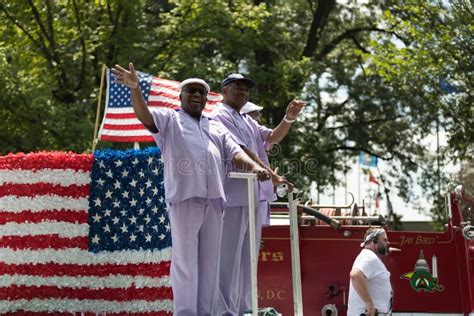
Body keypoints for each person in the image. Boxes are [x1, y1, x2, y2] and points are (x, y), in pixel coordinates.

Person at [111, 64, 271, 316]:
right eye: (191, 91)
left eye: (201, 93)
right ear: (181, 96)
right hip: (185, 199)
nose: (196, 96)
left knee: (210, 265)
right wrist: (135, 91)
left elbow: (236, 152)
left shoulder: (215, 126)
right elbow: (145, 117)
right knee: (185, 264)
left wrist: (256, 168)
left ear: (207, 99)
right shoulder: (170, 119)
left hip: (215, 202)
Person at [210, 73, 305, 315]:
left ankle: (246, 308)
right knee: (228, 259)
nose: (243, 92)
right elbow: (240, 150)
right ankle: (224, 310)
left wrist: (289, 118)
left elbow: (271, 137)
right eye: (237, 88)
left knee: (248, 259)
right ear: (224, 91)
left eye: (246, 89)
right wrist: (273, 177)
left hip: (252, 194)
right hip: (232, 193)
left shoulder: (246, 119)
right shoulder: (219, 115)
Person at [240, 102, 275, 228]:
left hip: (260, 189)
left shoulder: (255, 129)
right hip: (244, 189)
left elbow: (271, 139)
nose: (258, 118)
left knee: (256, 234)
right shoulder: (237, 129)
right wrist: (273, 175)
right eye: (255, 115)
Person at [348, 228, 393, 316]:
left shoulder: (370, 256)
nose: (387, 243)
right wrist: (369, 304)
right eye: (384, 240)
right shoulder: (368, 257)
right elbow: (355, 275)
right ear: (374, 241)